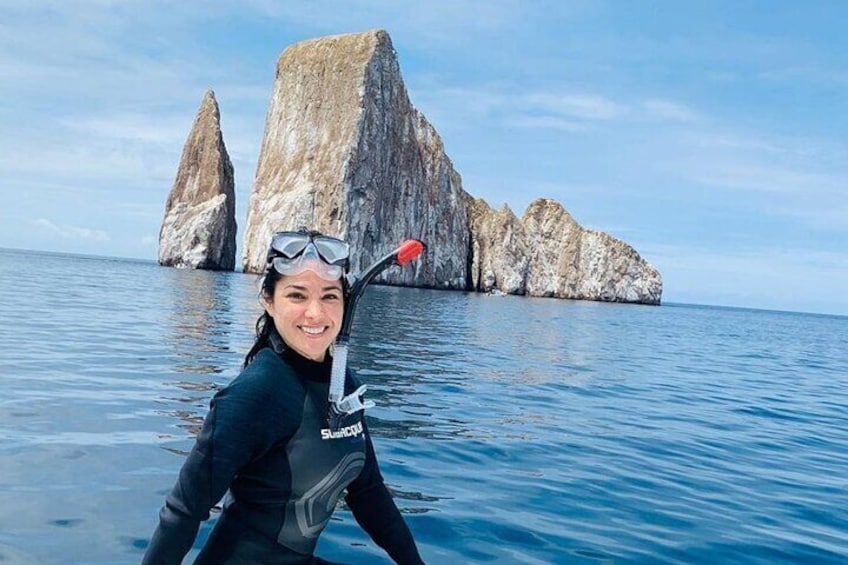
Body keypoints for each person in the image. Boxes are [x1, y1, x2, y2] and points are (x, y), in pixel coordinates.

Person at [143, 230, 424, 564]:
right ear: (269, 300)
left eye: (330, 296)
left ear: (346, 303)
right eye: (297, 295)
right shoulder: (254, 394)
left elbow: (369, 493)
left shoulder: (343, 383)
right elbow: (184, 511)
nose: (316, 314)